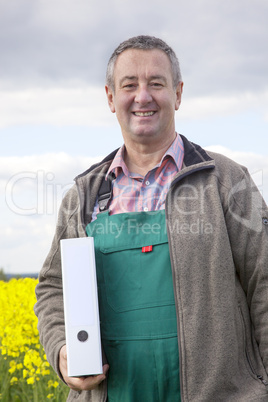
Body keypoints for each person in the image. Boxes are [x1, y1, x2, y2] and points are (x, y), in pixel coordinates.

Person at [34, 35, 268, 401]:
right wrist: (64, 351)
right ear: (111, 98)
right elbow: (52, 288)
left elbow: (264, 281)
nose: (143, 96)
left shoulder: (226, 181)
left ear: (177, 94)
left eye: (156, 83)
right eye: (129, 85)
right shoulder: (82, 197)